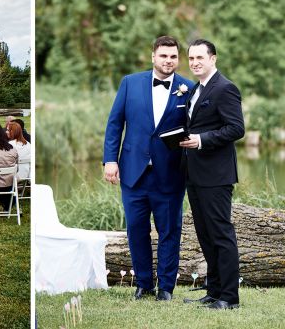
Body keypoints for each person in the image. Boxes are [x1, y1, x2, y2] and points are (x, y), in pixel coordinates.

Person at [103, 35, 194, 301]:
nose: (168, 60)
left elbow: (193, 130)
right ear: (153, 56)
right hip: (133, 173)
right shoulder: (130, 83)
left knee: (169, 232)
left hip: (170, 174)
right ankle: (143, 284)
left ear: (178, 59)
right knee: (136, 230)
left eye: (173, 56)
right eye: (163, 55)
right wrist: (110, 160)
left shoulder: (188, 88)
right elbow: (114, 124)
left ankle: (165, 287)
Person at [179, 39, 245, 310]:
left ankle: (230, 297)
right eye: (191, 58)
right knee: (205, 235)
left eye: (200, 58)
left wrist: (201, 140)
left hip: (216, 176)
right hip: (194, 175)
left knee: (221, 235)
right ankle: (214, 291)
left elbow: (236, 128)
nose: (194, 62)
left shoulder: (225, 88)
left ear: (213, 59)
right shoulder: (195, 89)